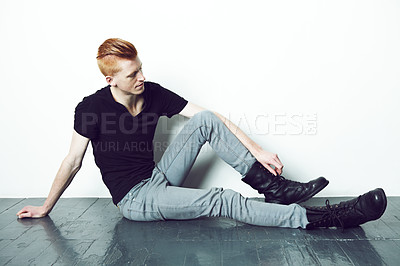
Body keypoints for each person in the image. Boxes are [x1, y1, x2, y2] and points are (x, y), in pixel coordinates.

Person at [17, 38, 387, 229]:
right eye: (132, 74)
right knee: (220, 199)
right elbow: (72, 160)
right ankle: (321, 219)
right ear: (110, 79)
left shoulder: (152, 92)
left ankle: (276, 189)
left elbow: (211, 119)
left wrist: (258, 150)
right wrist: (46, 207)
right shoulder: (91, 108)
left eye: (141, 68)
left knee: (206, 119)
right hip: (134, 200)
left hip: (157, 176)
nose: (141, 77)